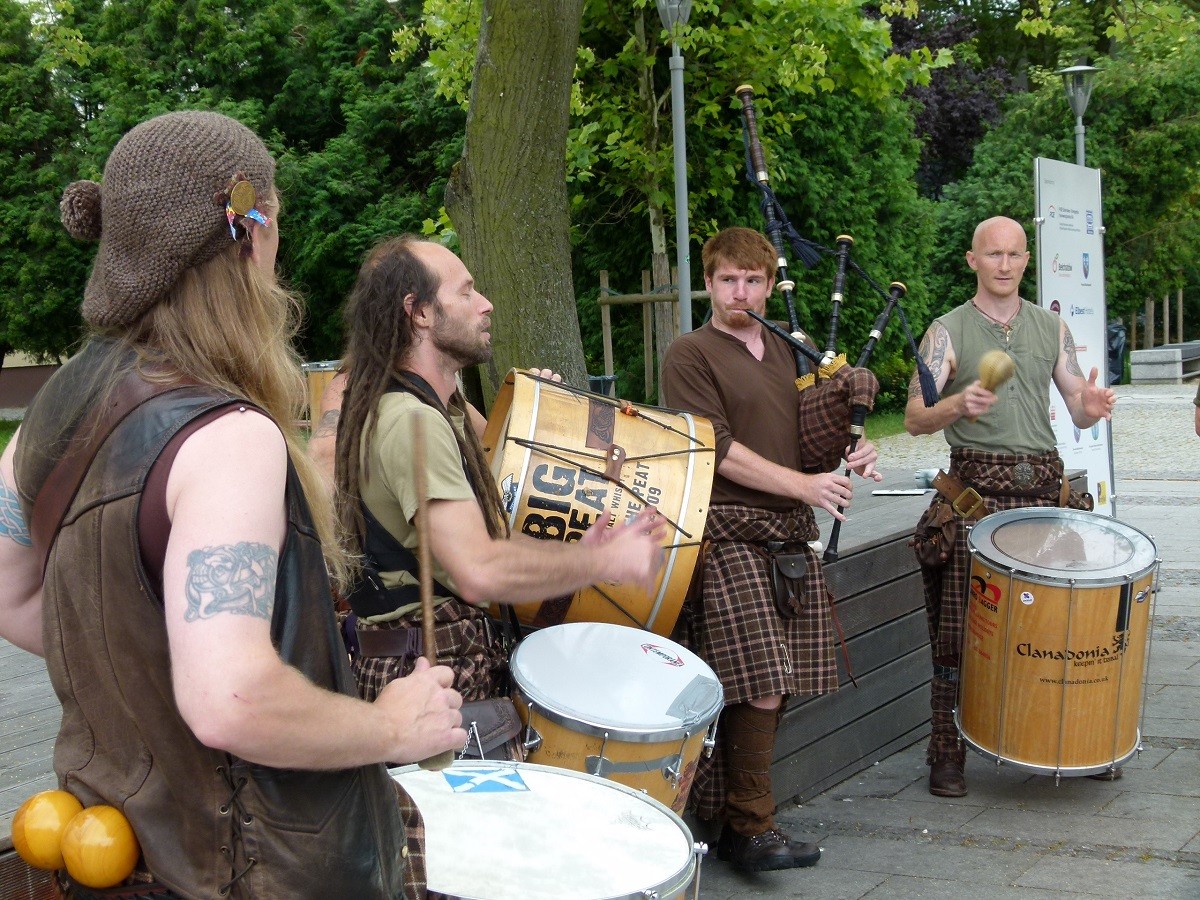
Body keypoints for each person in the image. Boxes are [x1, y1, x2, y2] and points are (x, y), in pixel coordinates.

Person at [0, 111, 465, 899]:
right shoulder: (230, 435)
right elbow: (231, 700)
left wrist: (173, 661)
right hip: (247, 874)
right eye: (272, 220)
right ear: (249, 231)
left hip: (111, 850)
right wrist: (393, 725)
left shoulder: (54, 409)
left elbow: (10, 595)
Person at [331, 235, 667, 705]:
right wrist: (602, 563)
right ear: (420, 312)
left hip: (434, 660)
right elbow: (478, 570)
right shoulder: (411, 420)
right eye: (466, 292)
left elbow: (484, 543)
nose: (485, 304)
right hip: (429, 672)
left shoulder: (420, 408)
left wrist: (578, 553)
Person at [660, 227, 882, 874]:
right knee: (761, 679)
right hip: (725, 532)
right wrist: (805, 486)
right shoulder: (689, 355)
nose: (741, 292)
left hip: (787, 535)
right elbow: (715, 447)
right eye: (728, 280)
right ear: (708, 283)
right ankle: (752, 829)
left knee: (773, 686)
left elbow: (818, 433)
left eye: (753, 280)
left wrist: (855, 446)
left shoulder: (793, 347)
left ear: (767, 283)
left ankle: (732, 822)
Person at [906, 215, 1117, 798]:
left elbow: (1076, 406)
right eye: (993, 254)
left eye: (1014, 254)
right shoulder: (946, 331)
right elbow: (915, 417)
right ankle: (946, 752)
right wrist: (957, 406)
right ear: (972, 260)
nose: (1004, 264)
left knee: (1059, 628)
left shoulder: (1050, 327)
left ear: (1027, 260)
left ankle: (1067, 741)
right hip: (975, 497)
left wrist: (1091, 406)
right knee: (959, 632)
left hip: (1044, 491)